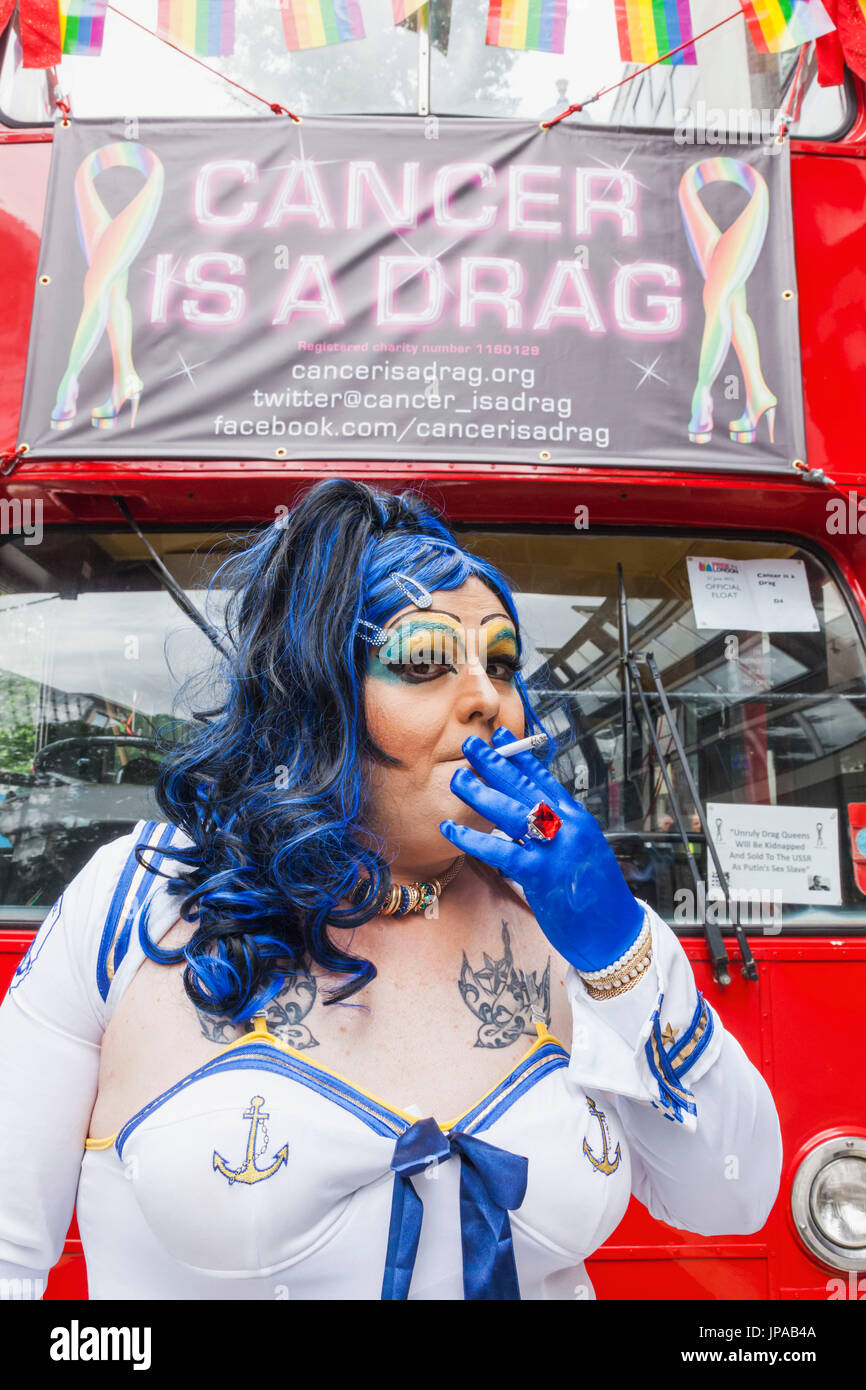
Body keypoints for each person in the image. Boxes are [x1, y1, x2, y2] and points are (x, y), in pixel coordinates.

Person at [0, 480, 782, 1300]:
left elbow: (731, 1195)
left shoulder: (565, 919)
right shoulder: (143, 899)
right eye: (423, 661)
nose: (487, 697)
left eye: (503, 664)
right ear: (317, 698)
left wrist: (620, 947)